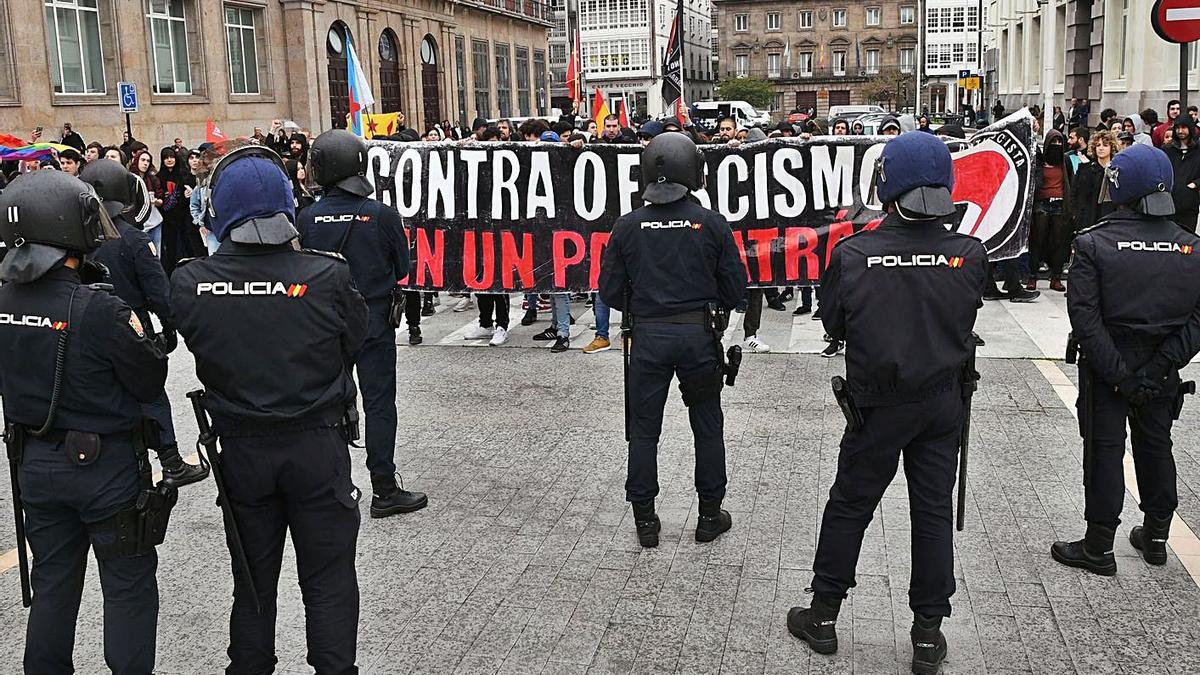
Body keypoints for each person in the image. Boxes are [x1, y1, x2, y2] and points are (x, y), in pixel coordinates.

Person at [786, 131, 985, 674]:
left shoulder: (853, 253)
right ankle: (926, 634)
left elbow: (833, 323)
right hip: (943, 403)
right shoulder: (969, 254)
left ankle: (824, 615)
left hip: (877, 405)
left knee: (851, 504)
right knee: (932, 511)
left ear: (886, 184)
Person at [171, 142, 369, 673]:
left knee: (253, 585)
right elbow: (355, 340)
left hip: (240, 451)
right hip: (316, 444)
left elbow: (191, 339)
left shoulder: (190, 281)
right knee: (328, 580)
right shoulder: (327, 275)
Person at [0, 170, 168, 674]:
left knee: (53, 584)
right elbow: (148, 377)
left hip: (34, 463)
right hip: (105, 468)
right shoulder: (99, 307)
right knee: (128, 586)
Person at [1051, 143, 1200, 575]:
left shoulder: (1095, 244)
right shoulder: (1191, 248)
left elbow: (1085, 318)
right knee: (1156, 446)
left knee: (1104, 451)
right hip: (1162, 367)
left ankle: (1099, 545)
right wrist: (1159, 366)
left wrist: (1119, 376)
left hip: (1107, 366)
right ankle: (1156, 536)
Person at [599, 132, 747, 548]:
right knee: (707, 424)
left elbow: (609, 292)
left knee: (644, 429)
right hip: (698, 336)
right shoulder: (712, 223)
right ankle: (708, 514)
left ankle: (645, 519)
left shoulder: (627, 226)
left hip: (647, 338)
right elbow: (736, 290)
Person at [296, 129, 428, 517]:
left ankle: (333, 487)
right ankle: (383, 488)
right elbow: (402, 267)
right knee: (380, 405)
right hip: (372, 322)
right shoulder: (382, 214)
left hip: (324, 325)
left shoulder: (307, 217)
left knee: (327, 405)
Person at [82, 158, 208, 488]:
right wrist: (171, 326)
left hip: (86, 326)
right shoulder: (134, 239)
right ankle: (171, 461)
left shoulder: (76, 240)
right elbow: (158, 292)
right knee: (151, 393)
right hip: (131, 324)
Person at [1027, 130, 1071, 292]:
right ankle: (1033, 276)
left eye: (1060, 142)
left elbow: (1070, 183)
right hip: (1041, 204)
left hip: (1060, 205)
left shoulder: (1065, 161)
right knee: (1037, 241)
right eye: (1054, 142)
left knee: (1058, 243)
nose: (1057, 146)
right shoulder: (1039, 161)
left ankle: (1056, 277)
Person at [1069, 130, 1119, 233]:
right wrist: (1076, 215)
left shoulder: (1117, 171)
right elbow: (1074, 193)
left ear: (1111, 148)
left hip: (1109, 220)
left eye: (1105, 145)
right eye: (1098, 145)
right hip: (1086, 220)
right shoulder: (1084, 169)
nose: (1101, 148)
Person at [1164, 116, 1200, 233]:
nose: (1180, 131)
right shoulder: (1167, 149)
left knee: (1187, 240)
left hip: (1189, 205)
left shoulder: (1198, 149)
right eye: (1177, 128)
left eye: (1184, 127)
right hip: (1168, 203)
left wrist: (1195, 184)